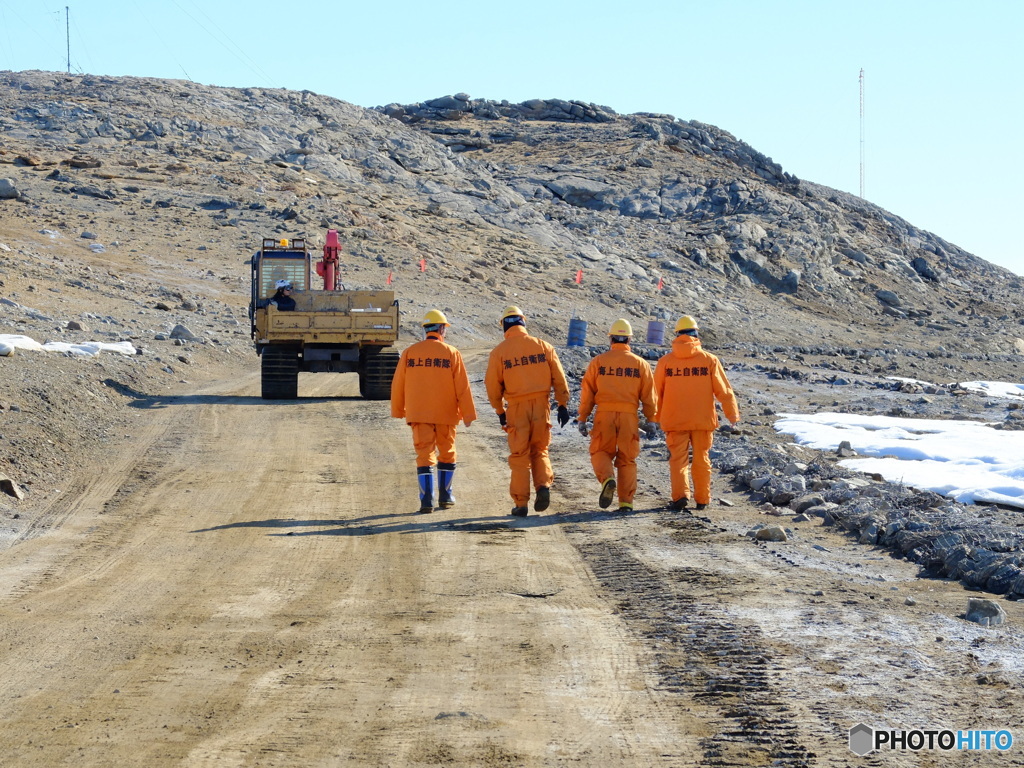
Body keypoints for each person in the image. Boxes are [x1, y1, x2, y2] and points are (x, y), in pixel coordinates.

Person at [485, 306, 571, 517]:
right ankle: (543, 487)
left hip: (516, 408)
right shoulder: (543, 346)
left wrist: (500, 411)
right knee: (540, 449)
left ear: (504, 325)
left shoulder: (499, 352)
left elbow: (492, 386)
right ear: (523, 322)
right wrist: (562, 404)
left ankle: (521, 504)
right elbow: (559, 378)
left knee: (520, 455)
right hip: (542, 406)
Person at [390, 309, 477, 513]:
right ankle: (446, 497)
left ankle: (426, 500)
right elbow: (462, 386)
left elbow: (398, 384)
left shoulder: (410, 353)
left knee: (424, 453)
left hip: (419, 413)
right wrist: (468, 414)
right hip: (446, 414)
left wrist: (398, 409)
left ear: (426, 330)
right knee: (447, 452)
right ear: (441, 329)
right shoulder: (451, 353)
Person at [653, 315, 740, 511]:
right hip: (703, 420)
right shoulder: (709, 360)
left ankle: (680, 496)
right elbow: (724, 391)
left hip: (674, 420)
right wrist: (732, 416)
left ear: (677, 335)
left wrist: (655, 418)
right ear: (696, 334)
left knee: (678, 459)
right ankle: (702, 500)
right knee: (701, 458)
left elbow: (655, 393)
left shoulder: (665, 362)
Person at [577, 319, 657, 512]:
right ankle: (626, 502)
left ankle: (607, 479)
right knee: (627, 459)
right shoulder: (641, 364)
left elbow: (588, 393)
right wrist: (652, 419)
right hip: (629, 417)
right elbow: (649, 396)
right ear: (629, 340)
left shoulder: (598, 362)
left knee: (600, 451)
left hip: (604, 415)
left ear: (611, 339)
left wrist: (583, 417)